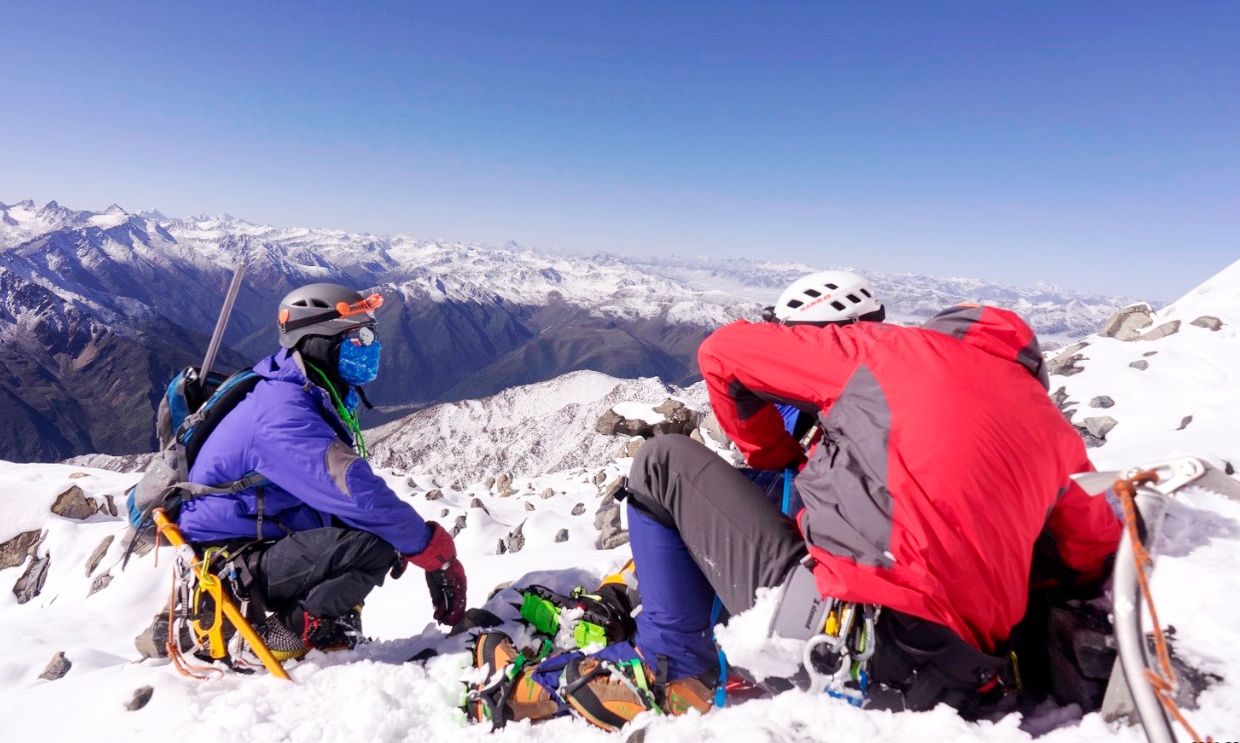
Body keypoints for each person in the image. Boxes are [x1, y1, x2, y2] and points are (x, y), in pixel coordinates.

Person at [468, 269, 1121, 728]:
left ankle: (673, 670)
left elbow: (720, 350)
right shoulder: (1055, 432)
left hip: (850, 641)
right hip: (960, 679)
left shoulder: (899, 354)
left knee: (662, 462)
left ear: (937, 335)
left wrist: (769, 452)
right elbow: (1092, 550)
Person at [137, 282, 467, 662]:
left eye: (371, 334)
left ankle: (326, 625)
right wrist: (433, 551)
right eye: (358, 336)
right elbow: (354, 491)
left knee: (374, 533)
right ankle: (277, 638)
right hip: (230, 560)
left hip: (251, 536)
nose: (370, 346)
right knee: (372, 544)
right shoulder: (283, 414)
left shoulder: (303, 389)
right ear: (316, 342)